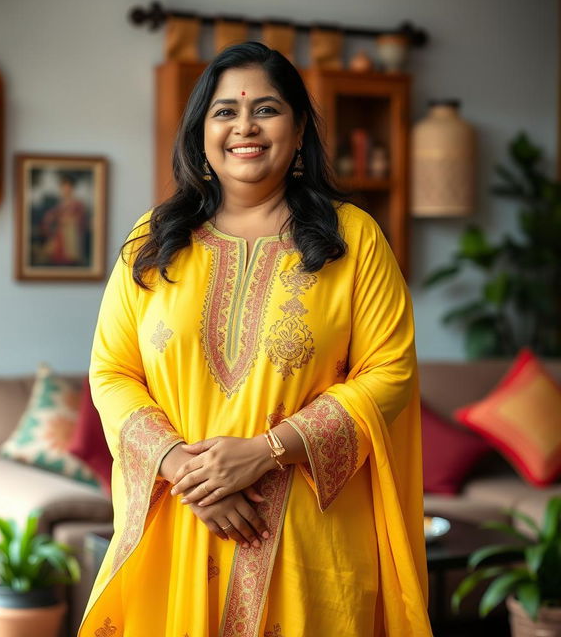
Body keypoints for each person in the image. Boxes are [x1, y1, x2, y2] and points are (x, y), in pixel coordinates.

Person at [78, 42, 431, 637]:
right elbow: (111, 372)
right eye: (224, 112)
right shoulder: (155, 239)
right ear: (200, 134)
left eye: (266, 109)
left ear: (298, 134)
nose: (245, 126)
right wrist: (187, 471)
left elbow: (388, 371)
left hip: (303, 540)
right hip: (181, 526)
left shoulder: (354, 239)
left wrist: (265, 453)